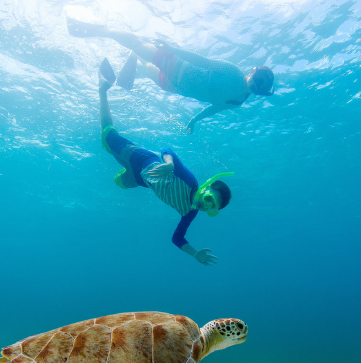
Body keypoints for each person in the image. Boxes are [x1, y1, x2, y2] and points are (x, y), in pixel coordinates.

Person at [97, 59, 233, 266]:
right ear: (205, 188)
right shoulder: (190, 181)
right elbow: (166, 150)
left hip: (141, 180)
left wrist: (195, 253)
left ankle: (119, 160)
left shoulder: (190, 212)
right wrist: (169, 164)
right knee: (106, 137)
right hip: (142, 160)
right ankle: (104, 88)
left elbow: (177, 238)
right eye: (208, 199)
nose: (205, 207)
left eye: (211, 208)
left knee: (118, 182)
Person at [69, 17, 274, 134]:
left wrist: (194, 120)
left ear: (262, 91)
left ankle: (133, 60)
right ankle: (103, 30)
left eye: (261, 85)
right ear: (252, 71)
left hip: (176, 87)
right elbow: (200, 60)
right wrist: (171, 49)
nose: (257, 84)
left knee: (146, 67)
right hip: (178, 66)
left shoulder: (238, 101)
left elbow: (213, 109)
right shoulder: (232, 73)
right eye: (259, 78)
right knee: (139, 45)